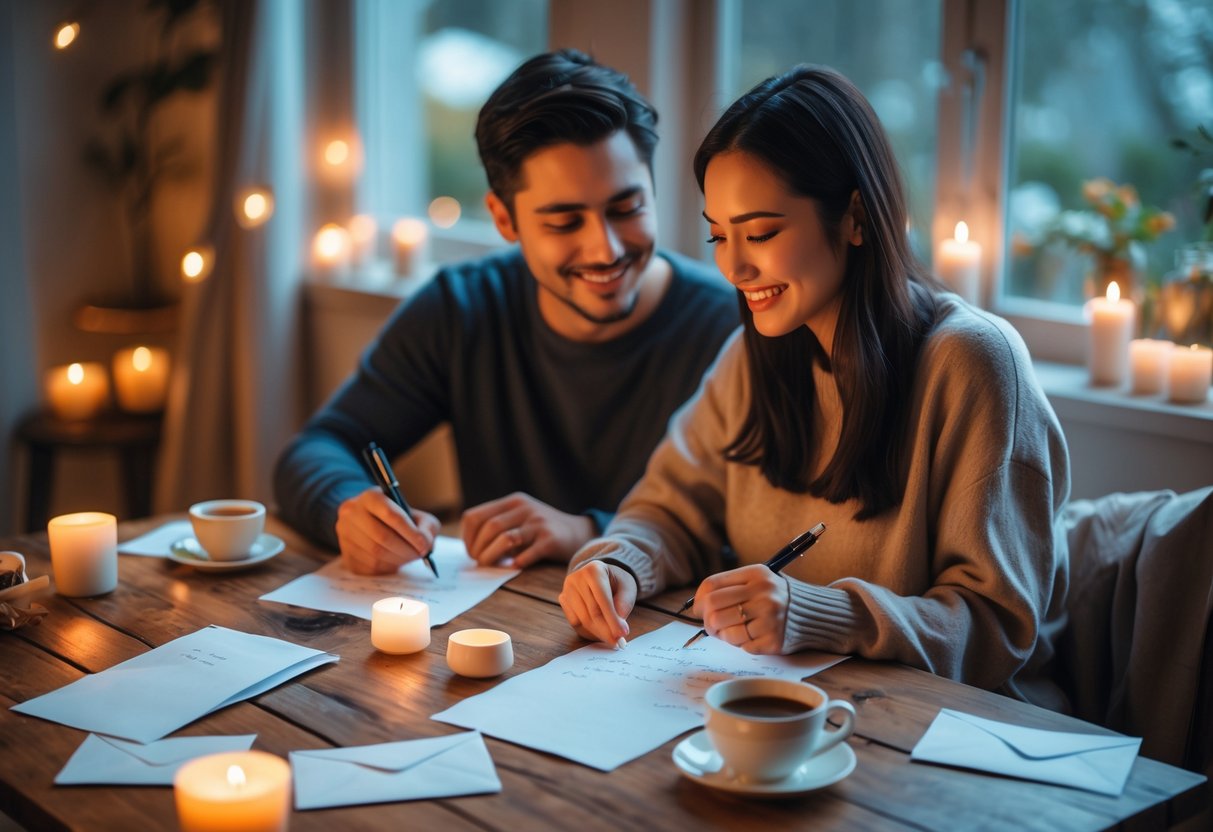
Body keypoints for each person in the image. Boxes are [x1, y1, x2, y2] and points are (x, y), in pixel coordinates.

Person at [559, 65, 1071, 709]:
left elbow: (998, 628)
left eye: (763, 232)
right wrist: (618, 565)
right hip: (805, 704)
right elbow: (667, 507)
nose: (735, 267)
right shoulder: (758, 353)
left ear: (855, 217)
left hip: (963, 731)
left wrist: (821, 613)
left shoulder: (971, 362)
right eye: (719, 235)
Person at [274, 50, 738, 576]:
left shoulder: (731, 329)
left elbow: (764, 537)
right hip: (494, 633)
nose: (604, 249)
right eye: (564, 222)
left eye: (627, 209)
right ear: (503, 219)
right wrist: (347, 507)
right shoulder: (461, 309)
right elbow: (318, 447)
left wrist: (587, 530)